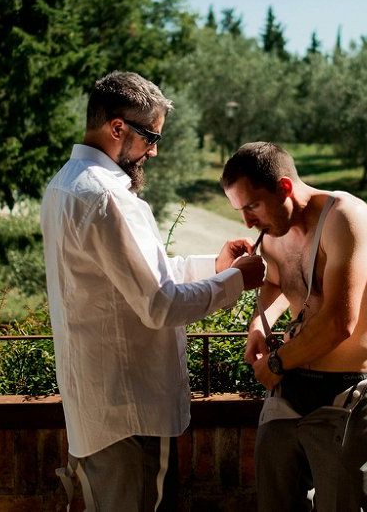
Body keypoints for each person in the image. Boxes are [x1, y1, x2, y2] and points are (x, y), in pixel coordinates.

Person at [40, 71, 266, 511]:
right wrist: (237, 280)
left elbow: (134, 282)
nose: (154, 150)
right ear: (118, 127)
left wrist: (215, 267)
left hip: (96, 408)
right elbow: (160, 305)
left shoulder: (64, 186)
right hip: (131, 411)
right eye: (150, 136)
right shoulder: (108, 198)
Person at [220, 142, 367, 511]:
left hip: (349, 393)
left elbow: (339, 322)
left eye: (252, 206)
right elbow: (278, 283)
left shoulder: (345, 217)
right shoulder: (274, 230)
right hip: (289, 391)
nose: (248, 222)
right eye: (239, 210)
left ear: (284, 187)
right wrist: (258, 325)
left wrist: (277, 364)